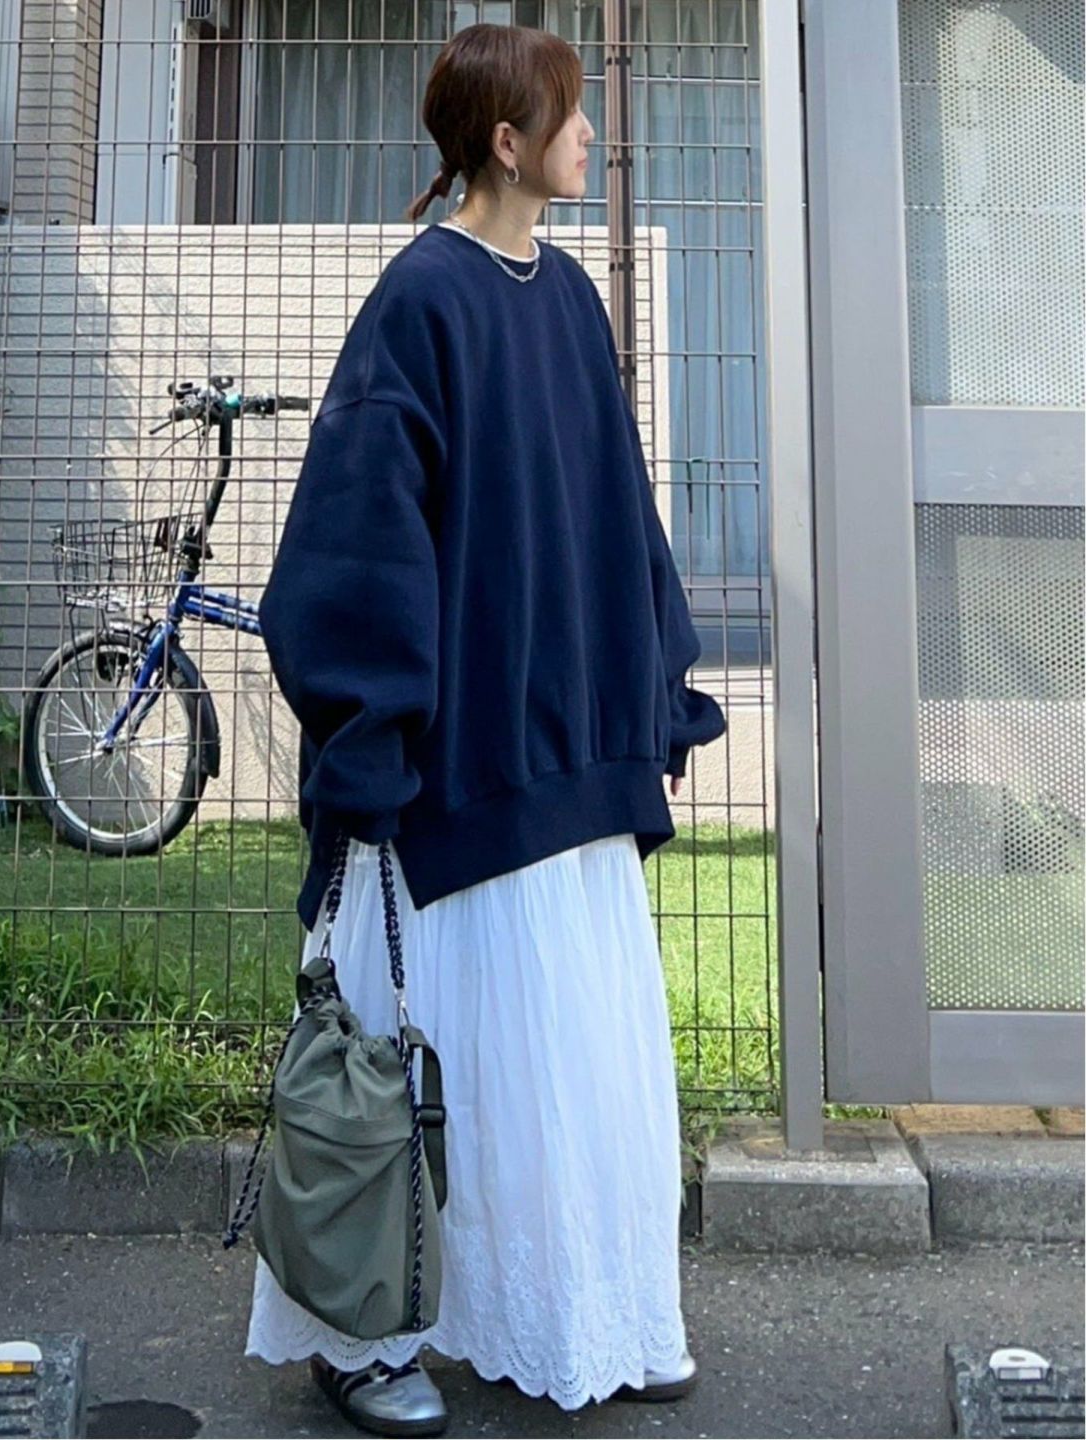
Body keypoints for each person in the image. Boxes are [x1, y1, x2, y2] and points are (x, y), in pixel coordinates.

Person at [246, 21, 726, 1438]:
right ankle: (364, 1335)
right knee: (410, 1060)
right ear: (505, 145)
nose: (590, 135)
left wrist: (650, 686)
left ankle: (582, 1316)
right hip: (449, 772)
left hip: (568, 754)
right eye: (567, 116)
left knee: (570, 1070)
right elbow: (354, 539)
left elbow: (614, 510)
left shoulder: (566, 297)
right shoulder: (421, 299)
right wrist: (372, 737)